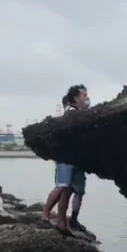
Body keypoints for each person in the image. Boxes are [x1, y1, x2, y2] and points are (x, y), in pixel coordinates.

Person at [39, 84, 90, 235]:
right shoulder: (71, 114)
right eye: (84, 95)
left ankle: (63, 222)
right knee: (62, 187)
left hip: (76, 159)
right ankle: (45, 215)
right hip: (65, 158)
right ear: (76, 98)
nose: (86, 98)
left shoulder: (80, 114)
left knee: (68, 191)